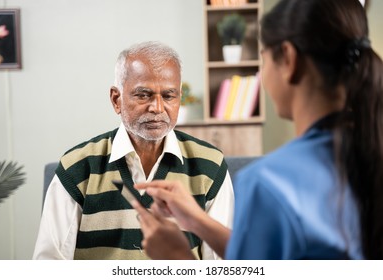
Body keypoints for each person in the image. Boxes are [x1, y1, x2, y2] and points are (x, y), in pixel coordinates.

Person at [132, 0, 383, 260]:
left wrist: (177, 258)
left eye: (262, 59)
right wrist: (197, 220)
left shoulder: (269, 184)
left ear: (287, 59)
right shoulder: (368, 153)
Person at [32, 41, 234, 260]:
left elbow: (223, 266)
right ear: (116, 99)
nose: (157, 107)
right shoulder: (78, 167)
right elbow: (48, 265)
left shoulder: (210, 166)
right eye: (143, 95)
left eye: (168, 96)